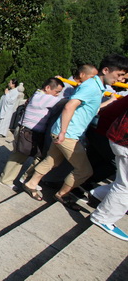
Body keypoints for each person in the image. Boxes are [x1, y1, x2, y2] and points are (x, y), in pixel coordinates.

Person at [23, 54, 128, 209]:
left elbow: (90, 109)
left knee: (52, 160)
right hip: (68, 134)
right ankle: (62, 194)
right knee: (84, 171)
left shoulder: (96, 86)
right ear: (106, 70)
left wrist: (111, 101)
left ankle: (31, 183)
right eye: (119, 75)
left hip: (66, 132)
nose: (120, 80)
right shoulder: (92, 87)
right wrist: (64, 132)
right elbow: (69, 106)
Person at [0, 78, 65, 189]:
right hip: (27, 132)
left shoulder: (40, 96)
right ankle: (6, 180)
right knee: (19, 157)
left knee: (39, 157)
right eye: (56, 92)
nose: (57, 95)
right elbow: (67, 101)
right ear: (48, 88)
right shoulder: (42, 97)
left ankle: (26, 178)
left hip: (33, 132)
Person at [89, 97, 128, 241]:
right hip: (124, 141)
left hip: (118, 137)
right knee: (125, 185)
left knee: (123, 180)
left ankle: (98, 194)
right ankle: (103, 217)